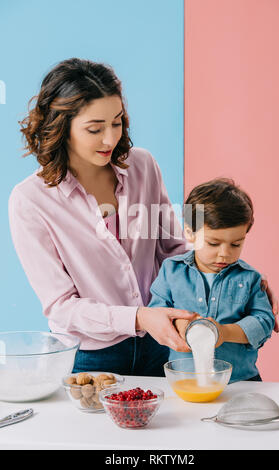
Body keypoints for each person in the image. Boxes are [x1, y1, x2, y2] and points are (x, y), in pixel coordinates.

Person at [8, 58, 198, 377]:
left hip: (159, 342)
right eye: (95, 129)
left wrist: (233, 279)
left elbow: (174, 251)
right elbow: (61, 306)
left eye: (117, 122)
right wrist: (137, 317)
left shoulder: (143, 166)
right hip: (92, 357)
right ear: (61, 127)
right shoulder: (30, 201)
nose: (110, 139)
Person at [148, 178, 275, 382]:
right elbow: (157, 313)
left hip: (240, 381)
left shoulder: (249, 278)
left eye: (235, 244)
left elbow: (264, 322)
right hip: (185, 380)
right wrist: (181, 325)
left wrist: (224, 332)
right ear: (190, 233)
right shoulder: (171, 271)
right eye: (213, 243)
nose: (224, 254)